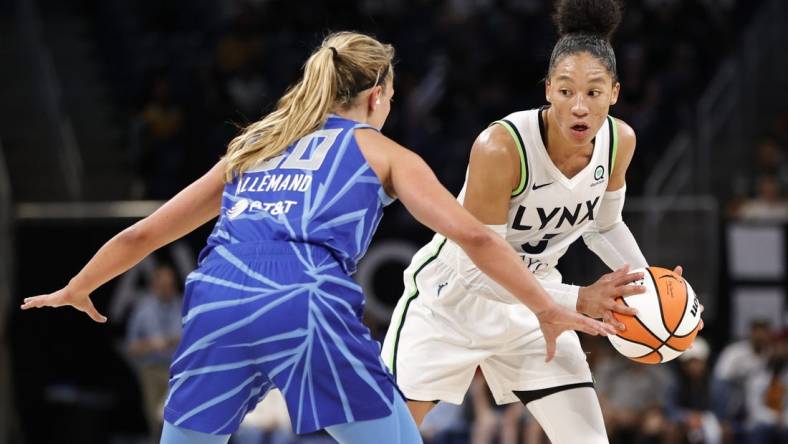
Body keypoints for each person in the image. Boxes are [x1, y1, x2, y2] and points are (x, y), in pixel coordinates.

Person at [21, 31, 614, 444]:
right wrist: (545, 305)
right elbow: (476, 239)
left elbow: (147, 232)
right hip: (301, 298)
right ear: (378, 94)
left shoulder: (255, 146)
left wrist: (78, 286)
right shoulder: (380, 149)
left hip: (216, 298)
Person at [381, 1, 696, 443]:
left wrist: (649, 289)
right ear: (548, 90)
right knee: (384, 438)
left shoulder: (619, 141)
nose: (580, 107)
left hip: (536, 307)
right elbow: (478, 268)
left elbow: (603, 226)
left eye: (594, 92)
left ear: (616, 93)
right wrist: (576, 299)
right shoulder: (501, 146)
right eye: (567, 91)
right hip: (451, 301)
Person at [126, 264, 184, 439]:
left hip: (178, 372)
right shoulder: (143, 310)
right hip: (151, 370)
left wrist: (172, 341)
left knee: (177, 418)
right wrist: (151, 344)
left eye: (170, 285)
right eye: (163, 285)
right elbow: (131, 347)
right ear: (154, 286)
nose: (167, 289)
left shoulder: (184, 306)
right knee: (154, 419)